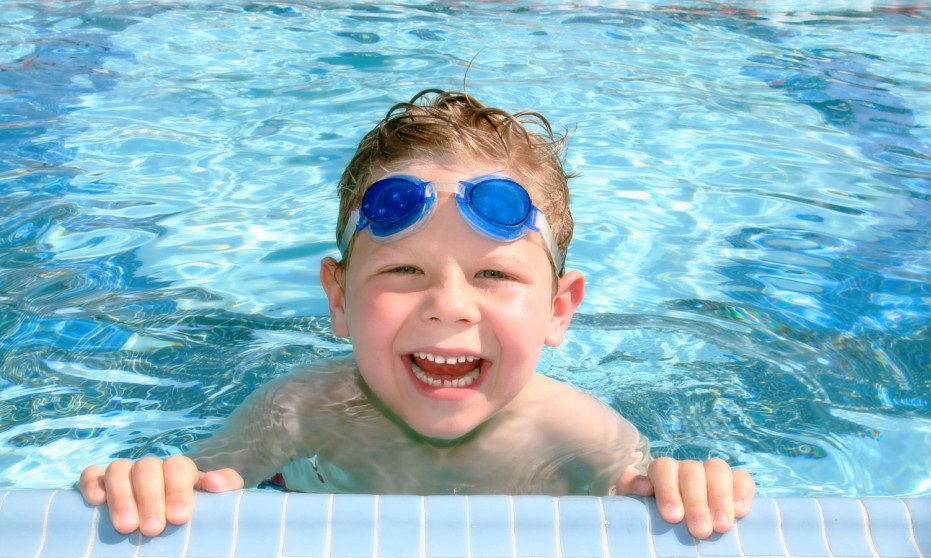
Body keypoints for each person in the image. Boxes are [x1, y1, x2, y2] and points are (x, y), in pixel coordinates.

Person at [79, 89, 755, 540]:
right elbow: (198, 485)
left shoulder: (577, 433)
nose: (449, 306)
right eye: (404, 271)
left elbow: (648, 502)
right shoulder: (299, 409)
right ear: (339, 298)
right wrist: (155, 482)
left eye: (494, 274)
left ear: (558, 310)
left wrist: (688, 486)